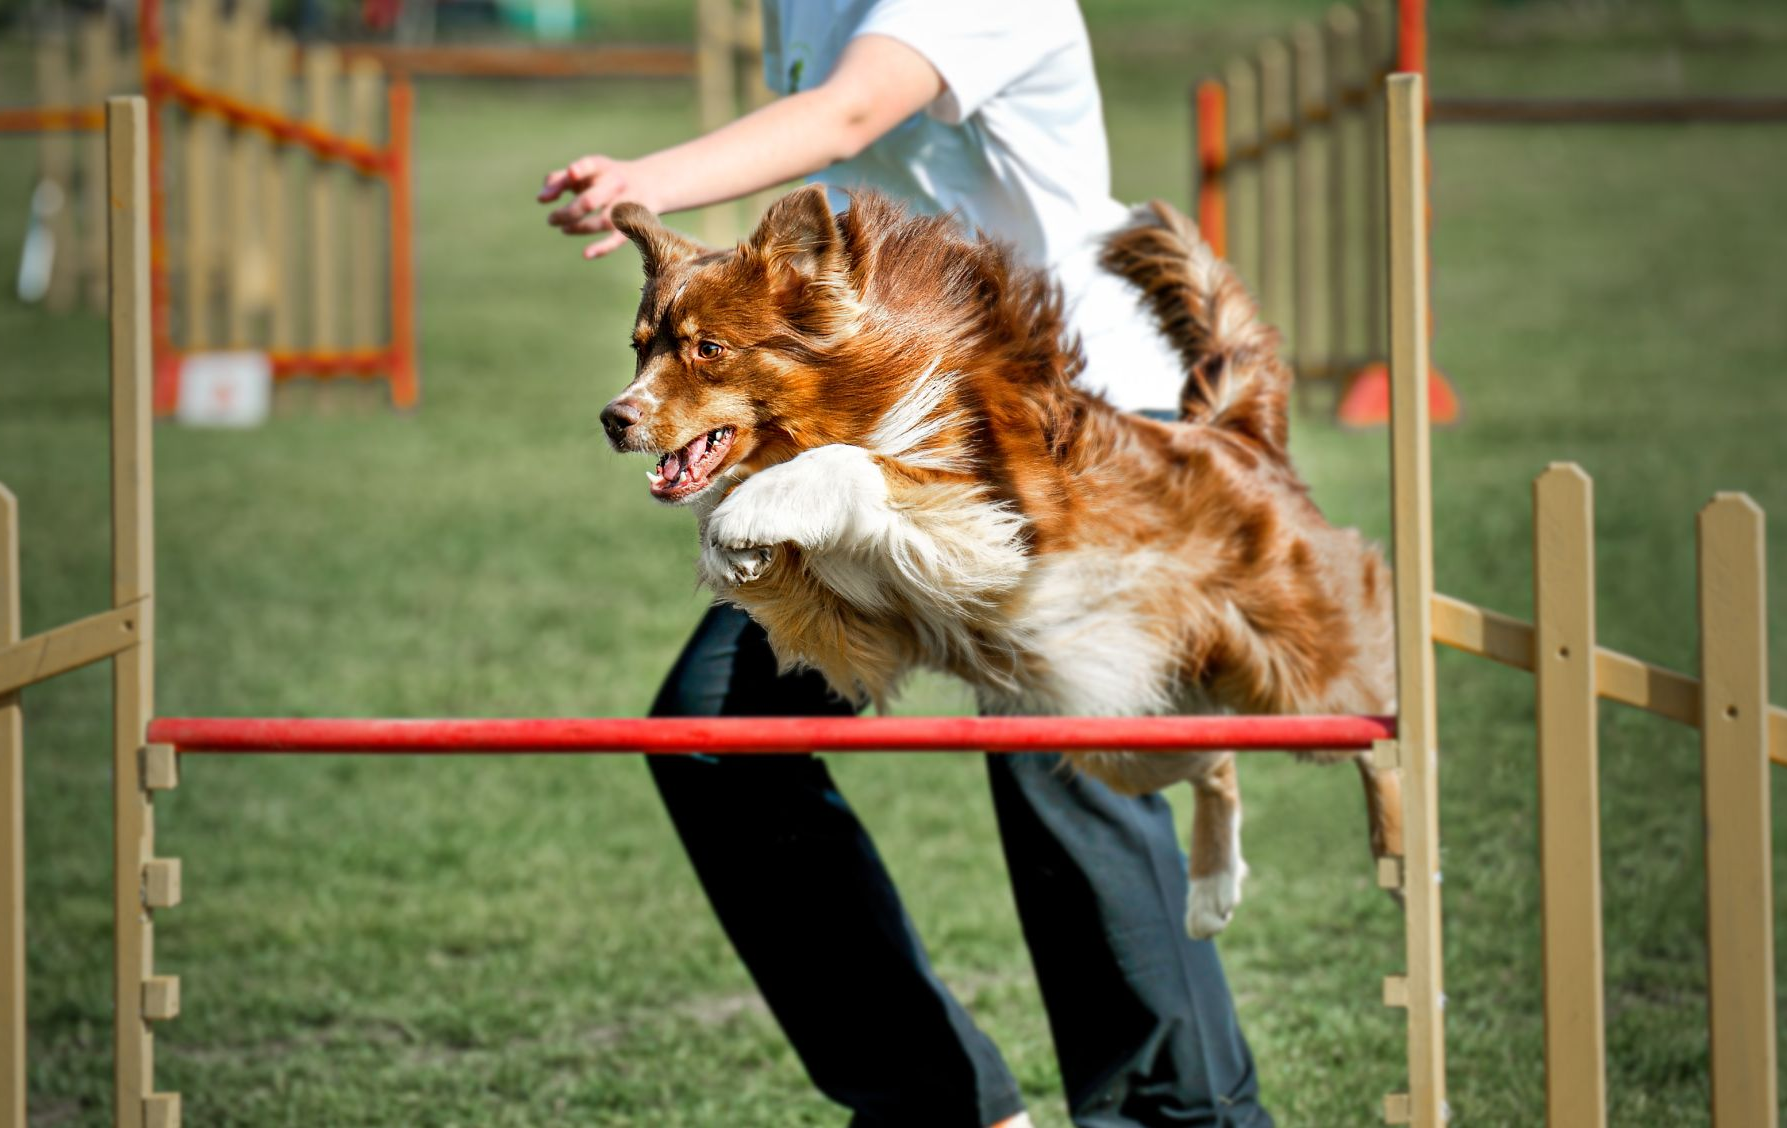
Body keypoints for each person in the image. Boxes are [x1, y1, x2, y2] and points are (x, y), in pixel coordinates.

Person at [539, 4, 1271, 1126]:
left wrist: (649, 180)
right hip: (896, 439)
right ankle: (939, 1107)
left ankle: (1182, 1117)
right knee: (711, 734)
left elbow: (846, 112)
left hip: (1064, 416)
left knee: (1057, 746)